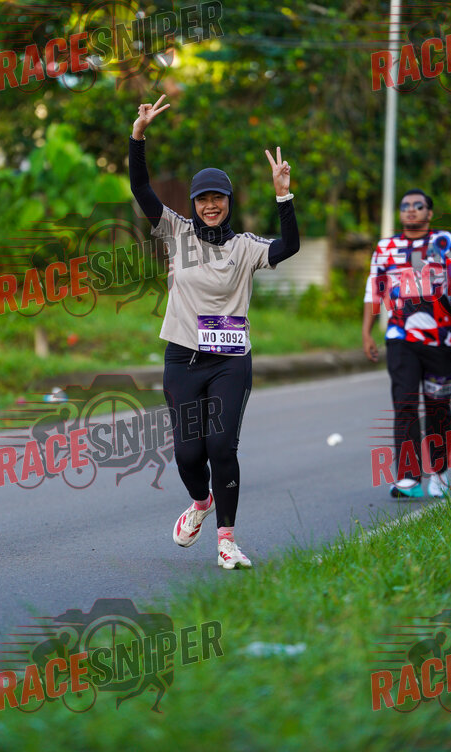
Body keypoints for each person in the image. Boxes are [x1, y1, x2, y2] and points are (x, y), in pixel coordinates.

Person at [128, 95, 300, 569]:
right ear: (194, 203)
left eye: (218, 199)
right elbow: (140, 187)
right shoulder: (175, 231)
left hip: (230, 360)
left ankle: (227, 540)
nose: (210, 206)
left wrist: (283, 195)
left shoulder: (245, 246)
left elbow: (289, 245)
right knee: (188, 455)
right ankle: (201, 502)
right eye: (203, 199)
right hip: (183, 358)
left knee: (222, 447)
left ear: (228, 203)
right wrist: (138, 136)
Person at [363, 188, 451, 498]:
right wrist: (366, 332)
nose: (411, 210)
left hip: (440, 341)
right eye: (405, 205)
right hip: (400, 339)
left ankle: (439, 473)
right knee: (404, 404)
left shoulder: (445, 243)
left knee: (438, 406)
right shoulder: (386, 247)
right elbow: (374, 291)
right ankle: (408, 477)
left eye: (418, 206)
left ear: (429, 213)